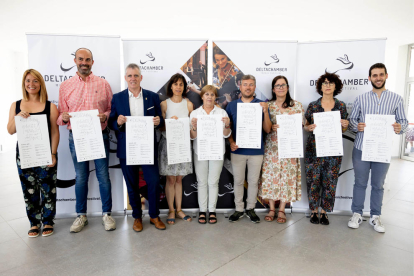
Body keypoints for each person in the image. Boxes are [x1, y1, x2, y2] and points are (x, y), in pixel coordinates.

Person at [57, 48, 115, 233]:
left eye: (87, 59)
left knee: (103, 176)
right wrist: (64, 118)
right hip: (77, 138)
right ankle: (81, 215)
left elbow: (110, 110)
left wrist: (105, 117)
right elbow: (59, 117)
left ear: (92, 62)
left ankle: (107, 214)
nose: (84, 62)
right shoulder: (65, 86)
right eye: (81, 59)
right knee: (81, 177)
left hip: (100, 135)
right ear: (75, 60)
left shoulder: (103, 83)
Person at [348, 63, 408, 233]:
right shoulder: (361, 98)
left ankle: (375, 216)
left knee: (378, 184)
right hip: (361, 147)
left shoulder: (396, 99)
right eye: (374, 75)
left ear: (386, 76)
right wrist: (356, 126)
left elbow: (403, 122)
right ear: (369, 78)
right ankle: (357, 214)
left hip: (382, 149)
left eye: (381, 74)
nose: (378, 78)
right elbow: (352, 121)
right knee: (359, 182)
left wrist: (399, 127)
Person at [108, 64, 166, 231]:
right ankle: (137, 217)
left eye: (135, 75)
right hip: (127, 148)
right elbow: (111, 122)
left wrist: (158, 122)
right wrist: (117, 122)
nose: (132, 78)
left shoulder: (152, 97)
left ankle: (154, 216)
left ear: (141, 77)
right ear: (126, 78)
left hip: (147, 147)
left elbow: (160, 120)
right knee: (132, 184)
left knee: (154, 182)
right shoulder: (117, 98)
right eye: (129, 75)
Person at [7, 69, 59, 237]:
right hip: (25, 154)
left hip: (45, 153)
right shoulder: (15, 105)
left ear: (40, 84)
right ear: (24, 83)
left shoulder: (50, 106)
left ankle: (48, 221)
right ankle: (34, 223)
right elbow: (10, 131)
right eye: (28, 81)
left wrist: (53, 153)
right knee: (29, 189)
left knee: (48, 189)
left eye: (35, 81)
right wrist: (17, 118)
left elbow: (55, 132)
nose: (31, 84)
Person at [304, 72, 349, 225]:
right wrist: (308, 127)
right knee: (313, 181)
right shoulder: (313, 105)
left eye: (330, 83)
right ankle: (313, 211)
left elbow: (343, 130)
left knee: (330, 182)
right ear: (320, 87)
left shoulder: (341, 106)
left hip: (333, 151)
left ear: (335, 86)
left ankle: (324, 212)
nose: (327, 85)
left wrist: (345, 126)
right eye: (324, 83)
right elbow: (306, 125)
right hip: (313, 150)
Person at [259, 76, 305, 223]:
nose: (280, 88)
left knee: (287, 178)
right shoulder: (268, 106)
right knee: (271, 177)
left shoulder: (297, 105)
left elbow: (303, 123)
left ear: (287, 87)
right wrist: (271, 126)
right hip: (272, 147)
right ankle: (272, 208)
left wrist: (308, 126)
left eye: (283, 85)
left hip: (290, 148)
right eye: (277, 85)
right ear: (273, 89)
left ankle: (282, 209)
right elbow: (266, 128)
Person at [226, 74, 272, 223]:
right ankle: (239, 209)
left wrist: (265, 112)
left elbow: (267, 129)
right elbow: (227, 128)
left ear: (254, 87)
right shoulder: (232, 105)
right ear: (240, 86)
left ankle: (250, 208)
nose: (248, 87)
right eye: (245, 84)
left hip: (256, 151)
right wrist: (231, 141)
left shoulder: (262, 105)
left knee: (253, 181)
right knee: (238, 181)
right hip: (238, 150)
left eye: (251, 84)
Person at [190, 85, 231, 224]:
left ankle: (212, 211)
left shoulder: (222, 113)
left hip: (216, 151)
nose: (209, 97)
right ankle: (202, 211)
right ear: (202, 96)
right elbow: (192, 137)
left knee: (213, 182)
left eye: (212, 95)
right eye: (206, 94)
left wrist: (227, 125)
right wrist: (194, 127)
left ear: (215, 97)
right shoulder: (195, 114)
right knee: (202, 182)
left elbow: (226, 135)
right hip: (200, 151)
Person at [159, 73, 194, 224]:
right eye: (176, 84)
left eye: (181, 84)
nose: (178, 87)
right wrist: (168, 123)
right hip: (168, 145)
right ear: (171, 86)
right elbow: (160, 127)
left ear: (184, 87)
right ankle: (171, 210)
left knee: (179, 179)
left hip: (184, 145)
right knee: (170, 179)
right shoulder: (164, 104)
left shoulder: (189, 104)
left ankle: (179, 209)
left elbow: (193, 126)